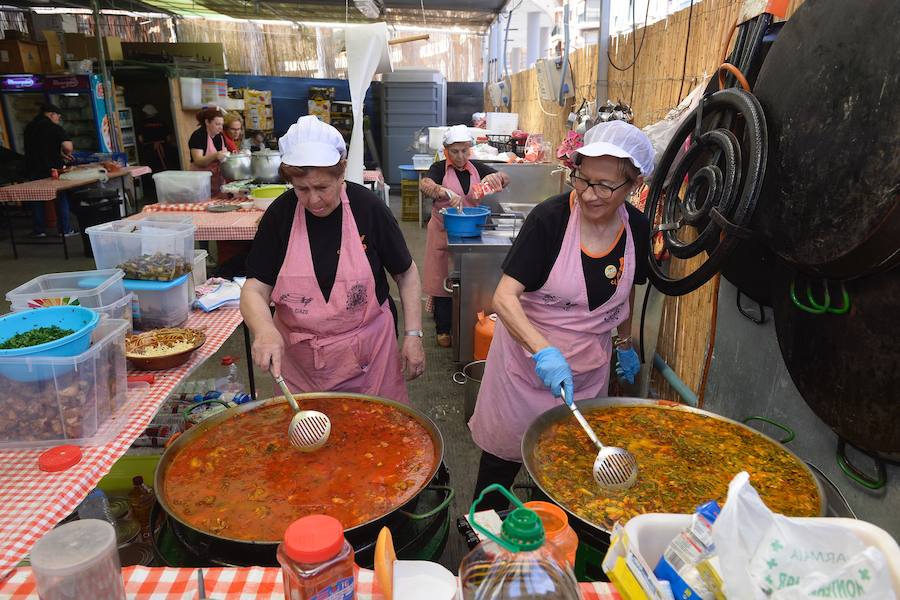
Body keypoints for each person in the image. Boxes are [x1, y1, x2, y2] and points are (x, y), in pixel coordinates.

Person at [468, 120, 653, 511]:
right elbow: (504, 297)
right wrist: (544, 352)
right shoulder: (549, 220)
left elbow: (626, 290)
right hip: (525, 369)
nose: (590, 193)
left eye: (605, 185)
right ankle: (481, 540)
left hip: (587, 374)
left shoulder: (636, 228)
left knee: (563, 472)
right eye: (582, 179)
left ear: (633, 185)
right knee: (500, 469)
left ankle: (548, 544)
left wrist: (624, 340)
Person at [241, 116, 426, 403]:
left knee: (375, 435)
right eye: (302, 189)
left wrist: (413, 334)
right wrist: (264, 330)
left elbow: (406, 274)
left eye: (323, 187)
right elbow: (255, 288)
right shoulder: (280, 215)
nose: (314, 199)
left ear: (341, 175)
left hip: (368, 356)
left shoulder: (368, 209)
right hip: (299, 363)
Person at [418, 125, 510, 347]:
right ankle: (443, 328)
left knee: (468, 278)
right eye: (454, 151)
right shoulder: (438, 168)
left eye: (464, 151)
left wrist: (497, 177)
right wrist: (442, 192)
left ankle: (469, 323)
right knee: (441, 280)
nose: (460, 156)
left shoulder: (477, 167)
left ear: (470, 149)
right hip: (443, 231)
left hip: (472, 231)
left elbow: (506, 177)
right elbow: (425, 184)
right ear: (446, 150)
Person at [24, 103, 75, 238]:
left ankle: (39, 230)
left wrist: (58, 152)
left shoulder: (29, 127)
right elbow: (68, 147)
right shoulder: (54, 128)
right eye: (58, 116)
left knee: (36, 199)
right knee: (60, 198)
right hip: (52, 169)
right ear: (51, 114)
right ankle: (65, 230)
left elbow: (39, 148)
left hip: (33, 167)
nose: (58, 119)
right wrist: (65, 152)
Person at [188, 106, 227, 195]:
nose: (221, 128)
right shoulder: (198, 136)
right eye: (217, 124)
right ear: (207, 122)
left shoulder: (220, 136)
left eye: (222, 124)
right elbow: (198, 161)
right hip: (200, 184)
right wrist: (215, 155)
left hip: (217, 182)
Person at [138, 104, 171, 172]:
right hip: (163, 148)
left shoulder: (142, 124)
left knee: (152, 169)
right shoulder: (162, 122)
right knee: (164, 167)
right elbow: (169, 138)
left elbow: (140, 139)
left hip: (150, 150)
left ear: (146, 113)